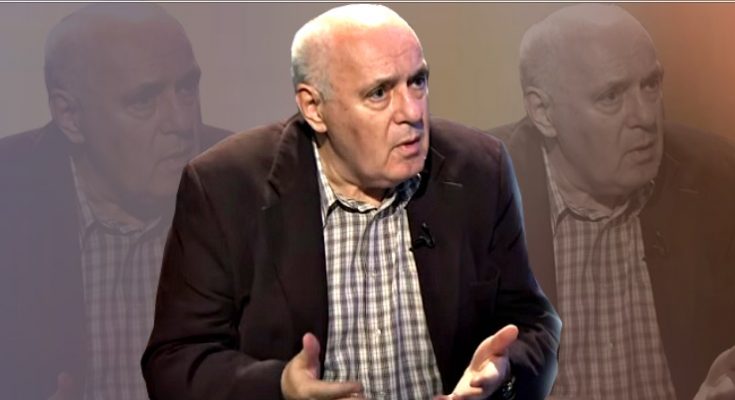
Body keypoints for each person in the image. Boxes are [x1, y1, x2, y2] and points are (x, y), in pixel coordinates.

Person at [142, 4, 560, 400]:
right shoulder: (225, 188)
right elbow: (176, 361)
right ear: (314, 108)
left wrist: (503, 373)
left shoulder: (479, 169)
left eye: (417, 81)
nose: (412, 112)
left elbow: (533, 323)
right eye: (379, 92)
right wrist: (281, 387)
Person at [488, 4, 735, 400]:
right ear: (543, 112)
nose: (645, 117)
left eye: (650, 85)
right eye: (611, 96)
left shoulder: (717, 180)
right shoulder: (480, 194)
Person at [0, 4, 229, 399]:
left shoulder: (245, 181)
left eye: (186, 89)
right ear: (70, 117)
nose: (181, 123)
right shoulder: (12, 197)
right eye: (144, 101)